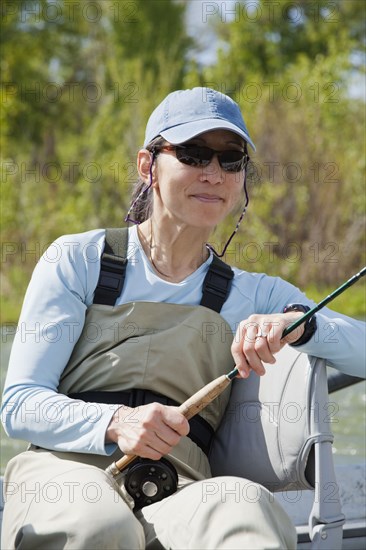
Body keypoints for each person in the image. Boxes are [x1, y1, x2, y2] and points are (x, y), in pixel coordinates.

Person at [1, 87, 365, 550]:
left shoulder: (259, 293)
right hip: (65, 469)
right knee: (98, 526)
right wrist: (117, 421)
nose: (213, 173)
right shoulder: (77, 259)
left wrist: (304, 323)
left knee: (246, 510)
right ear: (146, 166)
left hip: (185, 484)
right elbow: (21, 406)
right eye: (193, 154)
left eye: (230, 159)